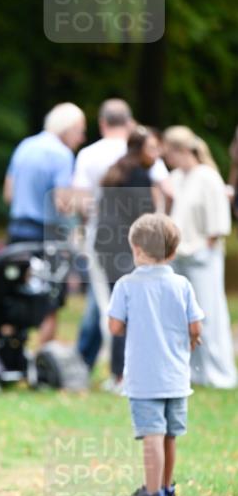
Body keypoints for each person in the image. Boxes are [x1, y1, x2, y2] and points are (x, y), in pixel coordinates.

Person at [108, 213, 204, 496]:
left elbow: (114, 326)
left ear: (136, 249)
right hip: (176, 377)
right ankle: (165, 490)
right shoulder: (182, 284)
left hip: (144, 378)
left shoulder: (126, 285)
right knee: (169, 435)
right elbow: (196, 327)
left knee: (152, 435)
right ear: (173, 253)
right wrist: (190, 340)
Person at [72, 99, 169, 374]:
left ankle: (89, 363)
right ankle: (117, 368)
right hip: (132, 241)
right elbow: (166, 189)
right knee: (121, 304)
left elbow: (81, 201)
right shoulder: (142, 160)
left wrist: (87, 227)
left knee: (105, 301)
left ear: (102, 123)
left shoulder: (90, 155)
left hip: (101, 237)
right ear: (129, 123)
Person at [2, 102, 86, 344]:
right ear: (67, 128)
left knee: (15, 291)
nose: (81, 138)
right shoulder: (62, 155)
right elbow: (62, 203)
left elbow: (9, 194)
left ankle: (9, 351)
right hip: (45, 236)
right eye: (79, 131)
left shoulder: (25, 146)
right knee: (51, 298)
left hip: (17, 231)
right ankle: (43, 356)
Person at [163, 126, 236, 389]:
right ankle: (193, 372)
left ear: (181, 150)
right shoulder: (176, 178)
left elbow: (218, 222)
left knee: (208, 313)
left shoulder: (207, 177)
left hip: (203, 256)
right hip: (179, 256)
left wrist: (203, 248)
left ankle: (219, 374)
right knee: (183, 317)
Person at [94, 126, 162, 385]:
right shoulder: (138, 175)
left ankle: (117, 373)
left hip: (106, 247)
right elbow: (143, 219)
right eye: (153, 148)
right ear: (139, 149)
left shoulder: (118, 169)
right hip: (124, 249)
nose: (157, 153)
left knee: (119, 307)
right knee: (131, 310)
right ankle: (124, 374)